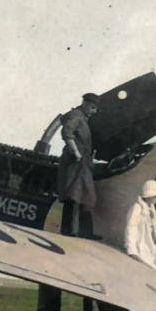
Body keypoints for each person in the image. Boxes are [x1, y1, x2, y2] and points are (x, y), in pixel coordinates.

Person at [57, 92, 100, 238]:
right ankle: (69, 231)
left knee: (86, 196)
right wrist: (75, 152)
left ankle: (84, 232)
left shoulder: (83, 118)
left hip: (82, 164)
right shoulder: (76, 116)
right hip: (74, 162)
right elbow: (67, 132)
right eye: (92, 108)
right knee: (73, 196)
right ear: (85, 103)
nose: (94, 111)